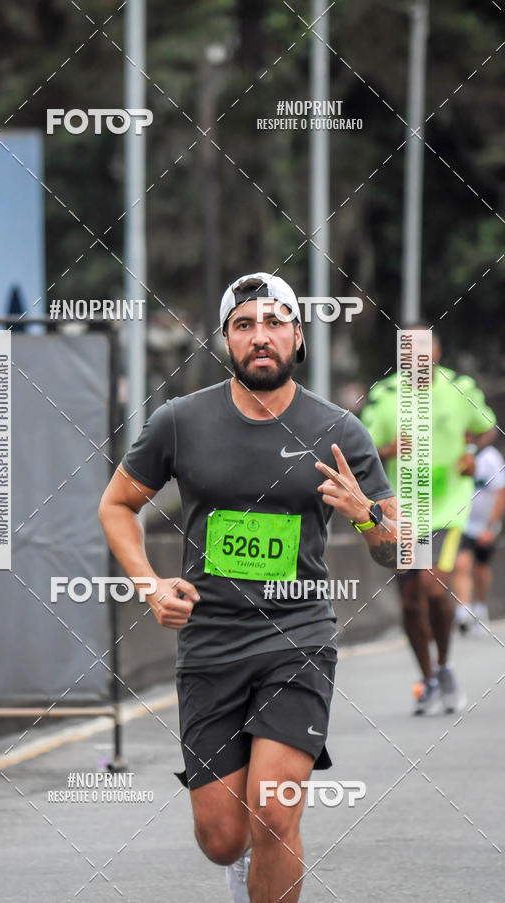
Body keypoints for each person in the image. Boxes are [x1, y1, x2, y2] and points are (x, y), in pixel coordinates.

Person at [99, 272, 402, 903]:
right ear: (225, 340)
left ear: (298, 334)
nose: (259, 337)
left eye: (273, 323)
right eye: (243, 325)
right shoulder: (181, 421)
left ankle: (270, 850)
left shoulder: (339, 430)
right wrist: (151, 585)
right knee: (222, 837)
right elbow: (117, 506)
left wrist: (365, 513)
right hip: (209, 643)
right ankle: (249, 863)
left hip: (298, 637)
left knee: (273, 811)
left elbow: (395, 553)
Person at [361, 327, 496, 715]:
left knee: (434, 585)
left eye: (426, 349)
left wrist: (471, 449)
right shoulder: (386, 396)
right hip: (402, 511)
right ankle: (431, 677)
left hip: (448, 508)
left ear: (438, 351)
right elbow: (361, 447)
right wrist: (388, 448)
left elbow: (486, 428)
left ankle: (445, 664)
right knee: (410, 600)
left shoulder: (461, 387)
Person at [453, 442, 505, 637]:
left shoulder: (491, 457)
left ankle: (481, 608)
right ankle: (463, 612)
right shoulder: (458, 453)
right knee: (462, 564)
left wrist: (490, 527)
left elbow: (501, 492)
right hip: (463, 524)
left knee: (481, 569)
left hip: (485, 526)